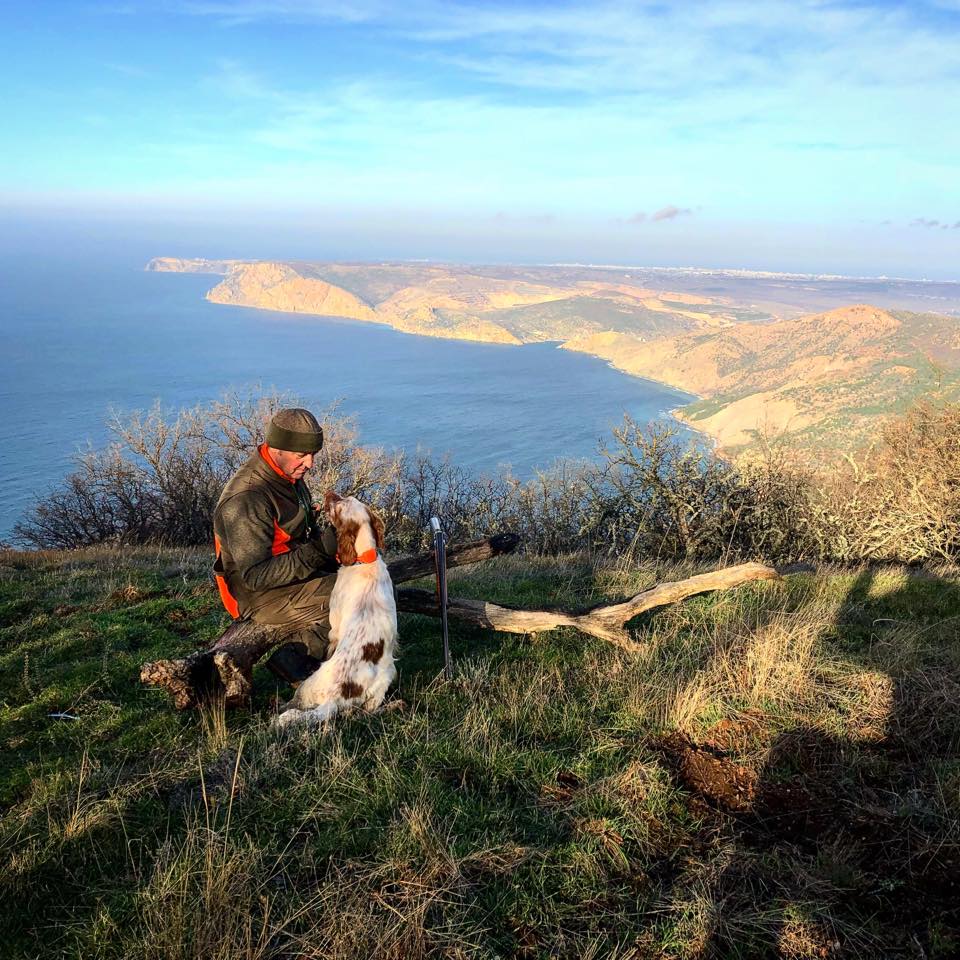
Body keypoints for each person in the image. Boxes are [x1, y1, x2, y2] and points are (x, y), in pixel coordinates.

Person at [213, 408, 338, 678]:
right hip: (256, 596)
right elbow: (255, 577)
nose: (310, 464)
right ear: (277, 448)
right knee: (359, 595)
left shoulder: (287, 476)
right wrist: (320, 551)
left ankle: (304, 661)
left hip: (288, 578)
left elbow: (298, 535)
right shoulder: (248, 498)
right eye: (301, 455)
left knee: (369, 578)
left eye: (313, 455)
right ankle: (304, 669)